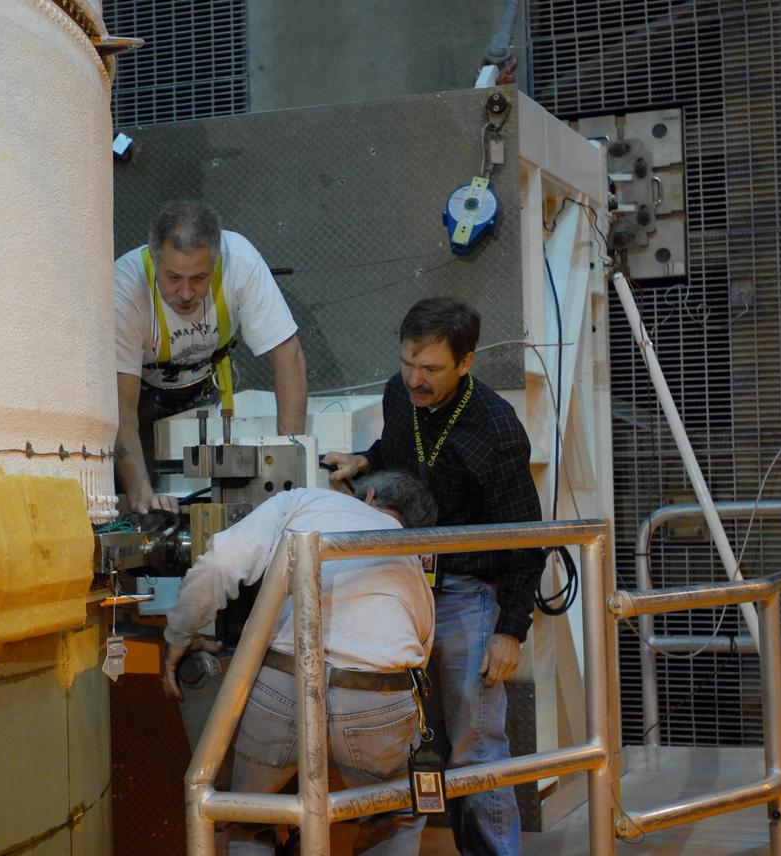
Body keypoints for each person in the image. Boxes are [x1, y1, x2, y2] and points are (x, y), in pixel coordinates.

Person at [323, 297, 544, 856]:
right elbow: (399, 449)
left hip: (466, 597)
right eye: (407, 363)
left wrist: (510, 629)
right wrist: (364, 461)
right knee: (410, 738)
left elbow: (526, 537)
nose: (415, 380)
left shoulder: (495, 428)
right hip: (399, 588)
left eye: (431, 370)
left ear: (466, 362)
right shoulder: (400, 394)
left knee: (475, 745)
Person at [161, 473, 438, 855]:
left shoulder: (305, 501)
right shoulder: (411, 549)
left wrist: (178, 634)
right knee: (393, 818)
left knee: (249, 815)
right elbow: (421, 646)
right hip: (377, 693)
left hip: (284, 681)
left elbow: (219, 565)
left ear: (369, 495)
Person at [114, 202, 308, 514]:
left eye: (199, 278)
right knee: (137, 496)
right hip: (143, 394)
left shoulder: (241, 261)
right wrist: (141, 494)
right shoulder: (124, 288)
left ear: (216, 260)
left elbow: (288, 354)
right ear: (154, 258)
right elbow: (120, 406)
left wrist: (289, 465)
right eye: (174, 278)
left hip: (207, 384)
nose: (187, 292)